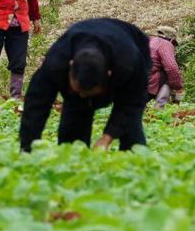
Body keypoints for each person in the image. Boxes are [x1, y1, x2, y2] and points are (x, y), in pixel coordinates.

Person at [19, 17, 152, 152]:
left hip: (132, 40)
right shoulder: (57, 61)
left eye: (90, 92)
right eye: (79, 90)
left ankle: (133, 161)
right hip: (83, 40)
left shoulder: (128, 64)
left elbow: (131, 104)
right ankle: (74, 162)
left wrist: (106, 139)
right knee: (75, 114)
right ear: (70, 67)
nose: (83, 95)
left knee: (130, 127)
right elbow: (35, 105)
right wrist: (27, 148)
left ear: (109, 74)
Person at [147, 26, 183, 107]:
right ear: (171, 39)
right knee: (170, 76)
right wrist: (178, 86)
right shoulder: (165, 43)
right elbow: (171, 68)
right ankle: (160, 106)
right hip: (148, 80)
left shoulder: (150, 41)